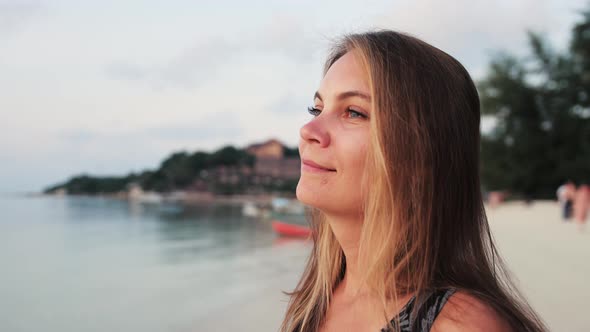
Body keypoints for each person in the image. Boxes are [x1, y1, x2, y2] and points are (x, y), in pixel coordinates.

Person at [280, 30, 547, 332]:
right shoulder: (316, 300)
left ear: (421, 156)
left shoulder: (459, 325)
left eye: (353, 112)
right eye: (316, 108)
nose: (309, 129)